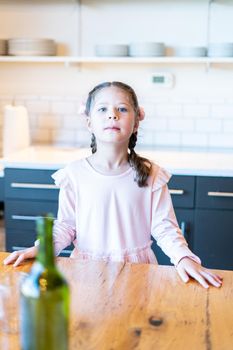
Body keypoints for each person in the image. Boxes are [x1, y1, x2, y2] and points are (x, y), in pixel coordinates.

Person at [4, 81, 222, 289]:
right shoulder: (74, 174)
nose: (112, 114)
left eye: (122, 109)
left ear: (136, 122)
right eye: (102, 109)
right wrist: (42, 248)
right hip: (85, 272)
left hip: (139, 272)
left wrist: (184, 257)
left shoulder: (151, 174)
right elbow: (66, 226)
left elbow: (164, 227)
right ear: (89, 122)